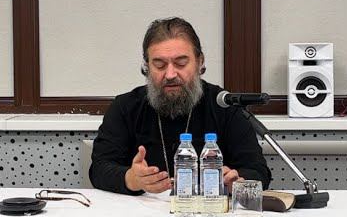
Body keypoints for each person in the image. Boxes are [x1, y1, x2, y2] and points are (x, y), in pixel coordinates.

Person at [89, 16, 271, 195]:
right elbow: (99, 169)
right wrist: (131, 179)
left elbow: (259, 172)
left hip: (209, 210)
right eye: (159, 65)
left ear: (200, 62)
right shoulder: (125, 107)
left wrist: (236, 182)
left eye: (181, 63)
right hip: (143, 211)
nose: (170, 74)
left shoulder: (224, 105)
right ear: (147, 67)